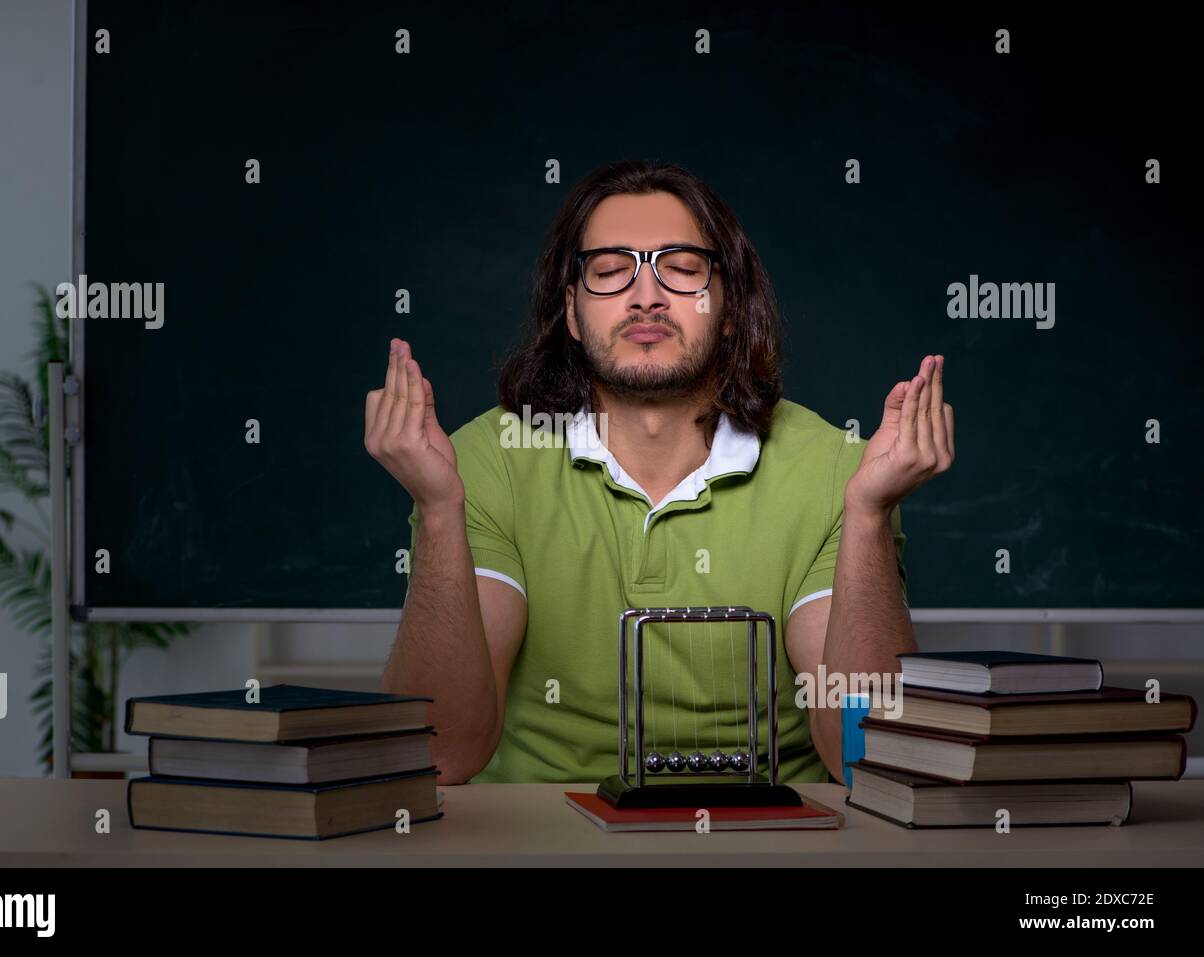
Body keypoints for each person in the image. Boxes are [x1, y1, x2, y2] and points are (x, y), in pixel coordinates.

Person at [365, 160, 954, 786]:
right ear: (571, 312)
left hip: (766, 841)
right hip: (542, 841)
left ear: (729, 306)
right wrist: (436, 509)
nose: (645, 296)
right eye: (612, 272)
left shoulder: (835, 469)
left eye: (680, 269)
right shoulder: (486, 460)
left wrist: (867, 517)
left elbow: (863, 759)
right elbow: (441, 755)